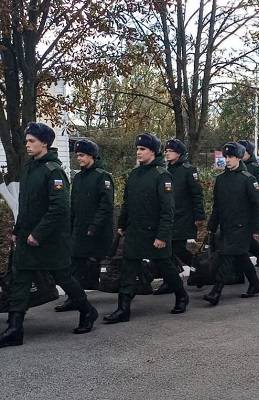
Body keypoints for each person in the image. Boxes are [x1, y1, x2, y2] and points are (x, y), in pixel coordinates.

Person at [1, 123, 98, 348]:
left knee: (63, 277)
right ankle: (15, 328)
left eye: (32, 141)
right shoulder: (29, 168)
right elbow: (25, 207)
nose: (27, 144)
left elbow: (60, 208)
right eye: (26, 141)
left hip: (50, 240)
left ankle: (87, 310)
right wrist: (18, 231)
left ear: (44, 143)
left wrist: (39, 233)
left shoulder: (53, 170)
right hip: (27, 238)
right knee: (20, 280)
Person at [104, 133, 189, 324]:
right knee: (128, 269)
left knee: (166, 267)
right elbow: (127, 203)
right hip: (135, 232)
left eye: (142, 149)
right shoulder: (134, 174)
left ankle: (181, 295)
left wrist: (162, 236)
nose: (138, 152)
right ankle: (123, 308)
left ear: (152, 151)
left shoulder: (162, 175)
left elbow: (168, 210)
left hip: (155, 233)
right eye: (137, 149)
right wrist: (122, 225)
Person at [55, 139, 114, 312]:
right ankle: (75, 298)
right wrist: (70, 226)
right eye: (77, 155)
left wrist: (94, 226)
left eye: (81, 155)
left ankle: (128, 289)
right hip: (79, 230)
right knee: (72, 266)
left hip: (96, 232)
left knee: (84, 265)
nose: (78, 158)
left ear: (92, 156)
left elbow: (106, 205)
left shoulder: (103, 176)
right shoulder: (79, 177)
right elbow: (74, 204)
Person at [203, 142, 259, 305]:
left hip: (242, 227)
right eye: (226, 157)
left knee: (227, 257)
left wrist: (258, 228)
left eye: (231, 157)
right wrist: (211, 226)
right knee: (241, 257)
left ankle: (216, 291)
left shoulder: (248, 179)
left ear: (239, 158)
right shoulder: (221, 179)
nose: (228, 160)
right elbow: (217, 206)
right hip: (226, 226)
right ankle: (255, 284)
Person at [152, 138, 205, 295]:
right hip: (170, 216)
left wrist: (199, 216)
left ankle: (200, 270)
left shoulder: (189, 170)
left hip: (184, 217)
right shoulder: (167, 171)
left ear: (179, 153)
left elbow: (197, 194)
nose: (167, 154)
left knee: (178, 249)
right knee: (169, 250)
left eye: (170, 151)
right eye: (166, 151)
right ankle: (172, 280)